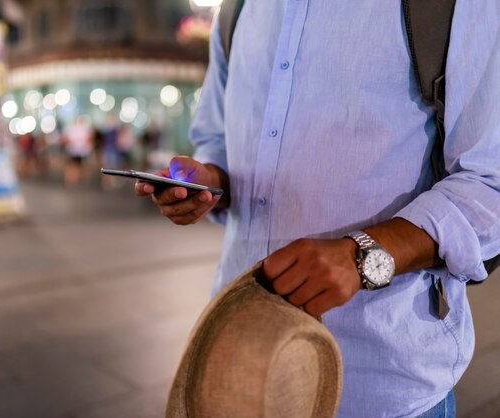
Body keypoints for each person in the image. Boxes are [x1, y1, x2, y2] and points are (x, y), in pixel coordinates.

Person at [135, 3, 500, 418]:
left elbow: (490, 182)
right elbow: (217, 139)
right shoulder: (237, 10)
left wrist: (359, 255)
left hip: (379, 380)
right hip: (241, 362)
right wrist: (208, 181)